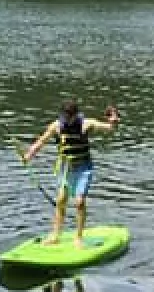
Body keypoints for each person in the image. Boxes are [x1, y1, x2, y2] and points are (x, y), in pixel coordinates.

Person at [23, 100, 121, 247]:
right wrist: (29, 155)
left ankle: (78, 237)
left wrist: (113, 121)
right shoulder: (56, 126)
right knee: (61, 200)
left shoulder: (86, 124)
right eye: (65, 117)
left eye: (70, 117)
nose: (68, 120)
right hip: (66, 169)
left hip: (83, 168)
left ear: (76, 115)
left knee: (79, 202)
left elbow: (108, 128)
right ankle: (55, 235)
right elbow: (41, 141)